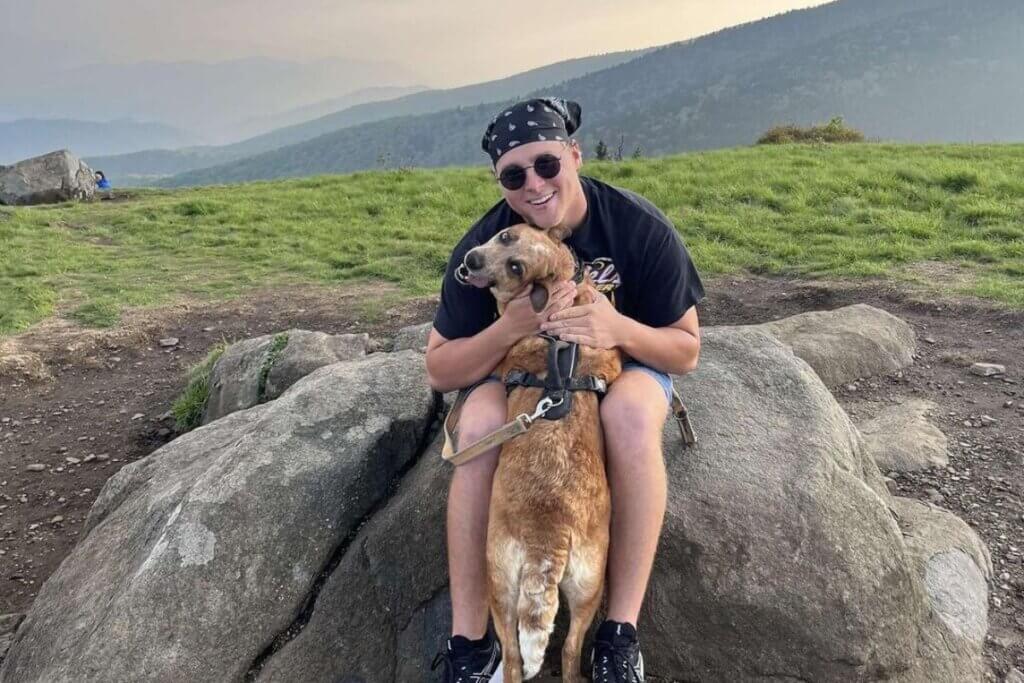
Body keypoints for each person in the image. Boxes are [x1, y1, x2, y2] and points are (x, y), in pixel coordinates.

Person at [426, 97, 704, 683]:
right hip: (516, 373)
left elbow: (685, 349)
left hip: (618, 370)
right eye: (514, 175)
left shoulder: (636, 226)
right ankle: (471, 647)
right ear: (499, 181)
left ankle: (618, 636)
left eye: (547, 164)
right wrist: (508, 329)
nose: (534, 185)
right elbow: (441, 368)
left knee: (629, 418)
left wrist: (618, 328)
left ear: (575, 154)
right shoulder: (486, 246)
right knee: (476, 429)